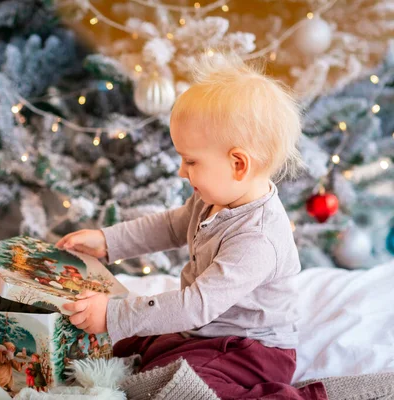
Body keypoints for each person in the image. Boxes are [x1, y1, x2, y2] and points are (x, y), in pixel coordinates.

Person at [57, 53, 328, 399]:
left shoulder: (257, 239)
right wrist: (108, 241)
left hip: (251, 351)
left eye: (190, 161)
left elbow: (194, 306)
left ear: (238, 164)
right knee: (125, 343)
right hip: (205, 330)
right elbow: (170, 226)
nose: (181, 172)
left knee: (180, 386)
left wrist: (114, 313)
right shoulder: (215, 196)